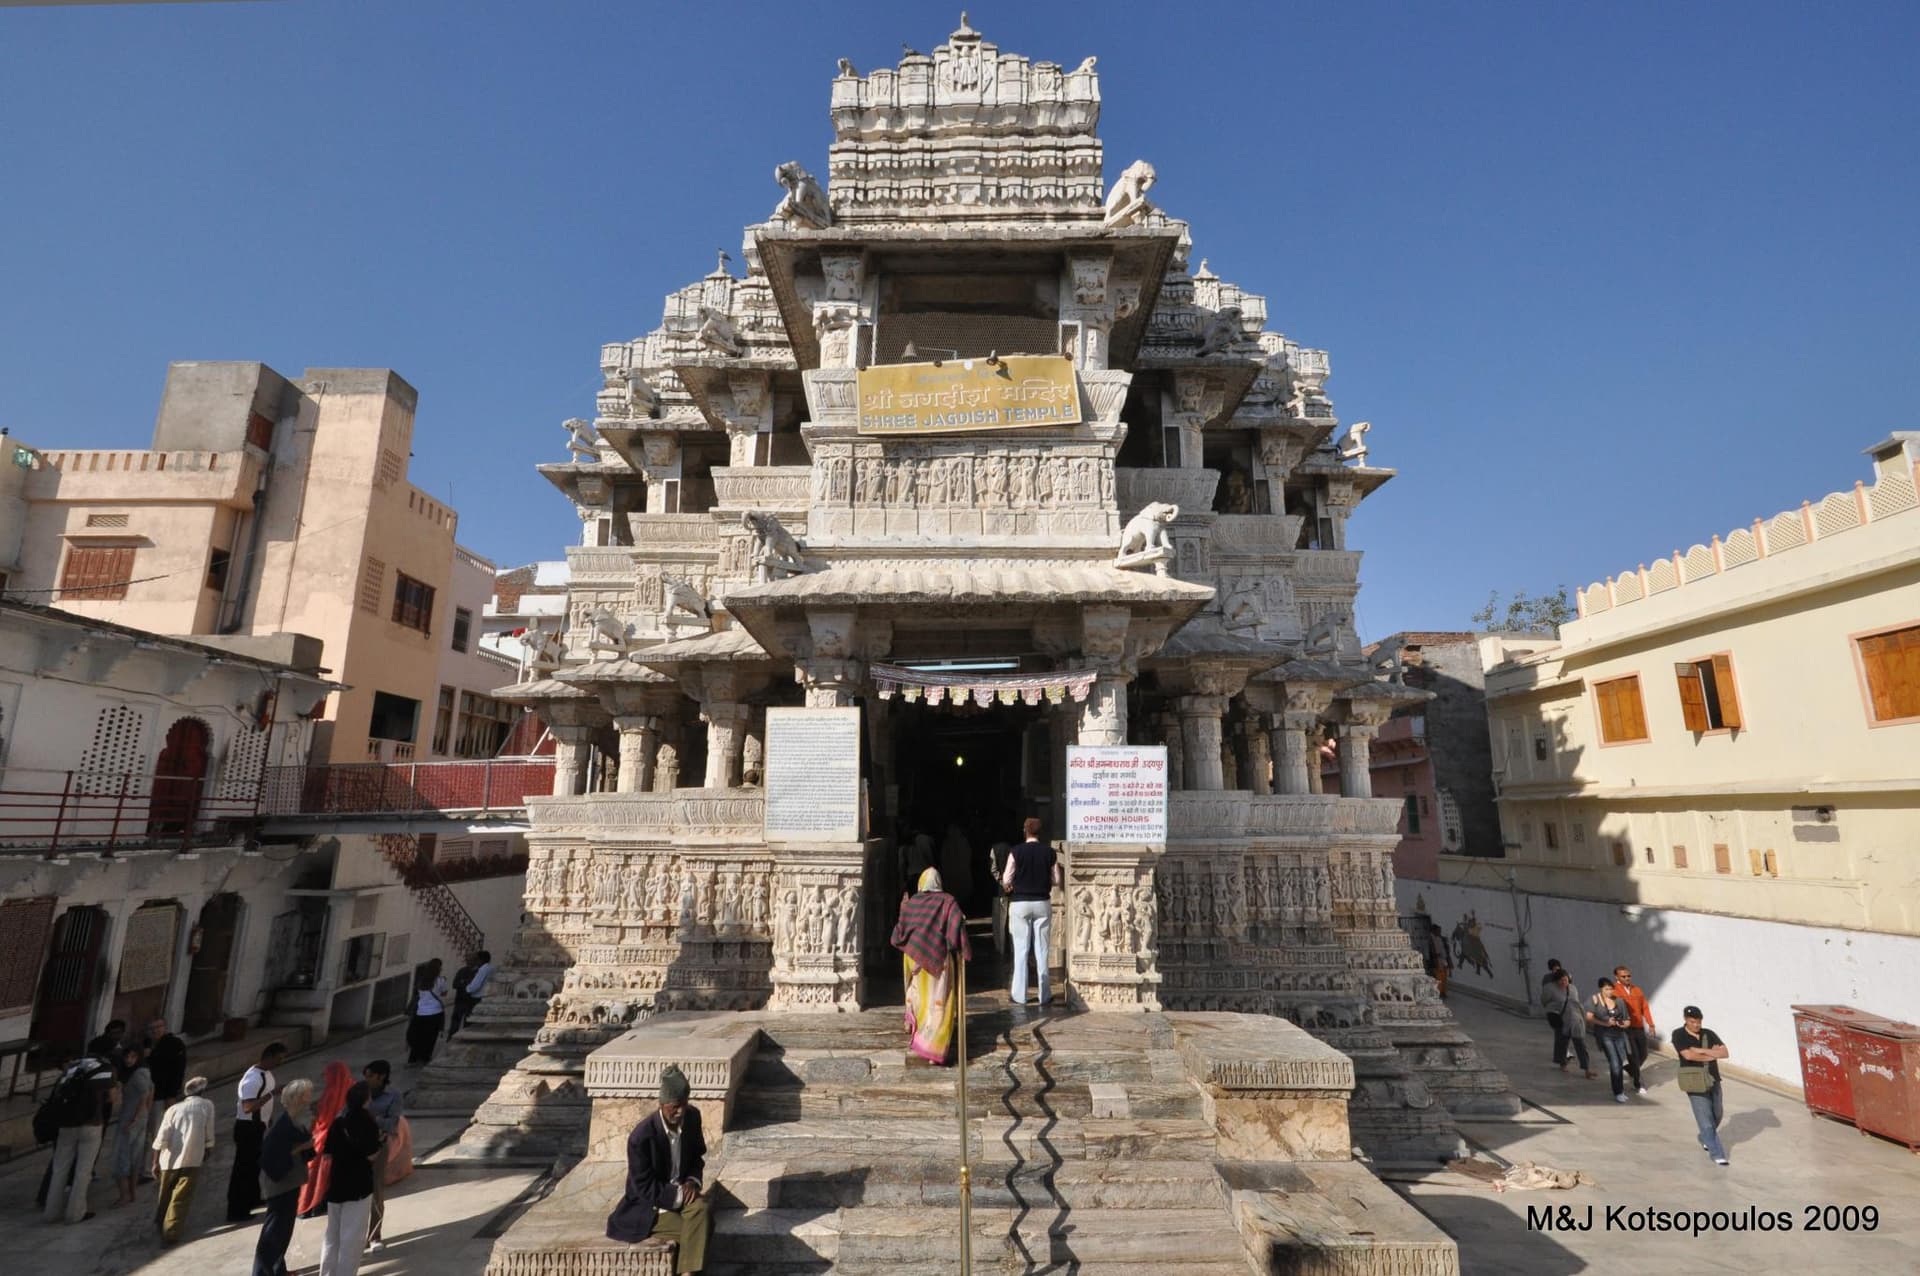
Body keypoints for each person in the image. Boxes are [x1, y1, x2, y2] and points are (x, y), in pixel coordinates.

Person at [607, 1065, 710, 1276]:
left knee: (700, 1210)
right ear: (661, 1105)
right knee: (699, 1229)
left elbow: (696, 1158)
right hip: (650, 1205)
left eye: (683, 1105)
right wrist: (680, 1195)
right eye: (674, 1107)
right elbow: (643, 1187)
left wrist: (691, 1182)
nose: (680, 1111)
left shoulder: (692, 1118)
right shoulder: (641, 1137)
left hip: (682, 1193)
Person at [890, 867, 973, 1065]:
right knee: (939, 1002)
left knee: (919, 994)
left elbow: (900, 928)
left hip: (914, 956)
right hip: (938, 957)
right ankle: (933, 1048)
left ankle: (915, 1028)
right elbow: (955, 930)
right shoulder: (947, 901)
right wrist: (961, 947)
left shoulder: (913, 902)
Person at [43, 1050, 118, 1223]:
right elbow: (112, 1098)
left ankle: (51, 1212)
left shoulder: (71, 1070)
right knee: (83, 1171)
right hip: (91, 1125)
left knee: (59, 1169)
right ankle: (75, 1213)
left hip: (66, 1125)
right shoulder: (104, 1070)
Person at [318, 1082, 383, 1276]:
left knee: (332, 1236)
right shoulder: (367, 1122)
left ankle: (327, 1273)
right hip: (358, 1185)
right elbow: (371, 1155)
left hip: (337, 1184)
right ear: (366, 1100)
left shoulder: (339, 1121)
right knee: (352, 1237)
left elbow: (327, 1154)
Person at [253, 1078, 315, 1276]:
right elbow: (271, 1157)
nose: (308, 1100)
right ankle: (263, 1272)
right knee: (274, 1232)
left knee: (283, 1231)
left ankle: (278, 1269)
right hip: (280, 1185)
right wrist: (300, 1148)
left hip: (289, 1183)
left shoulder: (294, 1121)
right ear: (297, 1099)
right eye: (305, 1096)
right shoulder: (283, 1125)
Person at [1001, 817, 1060, 1010]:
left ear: (1025, 831)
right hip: (1042, 902)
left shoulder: (1016, 852)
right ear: (1039, 832)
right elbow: (1057, 880)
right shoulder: (1049, 853)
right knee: (1042, 950)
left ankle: (1020, 995)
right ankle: (1045, 995)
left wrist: (1010, 886)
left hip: (1020, 903)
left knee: (1021, 950)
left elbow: (1006, 879)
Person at [150, 1075, 215, 1245]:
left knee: (165, 1195)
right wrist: (208, 1149)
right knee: (180, 1198)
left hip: (168, 1160)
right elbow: (209, 1133)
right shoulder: (206, 1106)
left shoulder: (173, 1109)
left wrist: (155, 1162)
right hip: (192, 1159)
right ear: (202, 1091)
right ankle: (170, 1233)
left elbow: (161, 1138)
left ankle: (160, 1222)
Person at [228, 1041, 287, 1221]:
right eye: (279, 1058)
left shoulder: (266, 1074)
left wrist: (267, 1118)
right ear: (269, 1057)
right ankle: (237, 1210)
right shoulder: (253, 1079)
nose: (281, 1062)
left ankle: (252, 1199)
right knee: (243, 1169)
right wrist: (271, 1095)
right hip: (248, 1128)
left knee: (254, 1166)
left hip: (258, 1126)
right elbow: (248, 1107)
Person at [1673, 1005, 1732, 1165]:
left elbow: (1725, 1053)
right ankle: (1717, 1154)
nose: (1696, 1025)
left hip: (1713, 1079)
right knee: (1705, 1120)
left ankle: (1704, 1137)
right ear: (1686, 1020)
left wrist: (1699, 1050)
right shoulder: (1678, 1034)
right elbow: (1688, 1055)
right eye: (1693, 1022)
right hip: (1694, 1081)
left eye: (1699, 1022)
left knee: (1717, 1114)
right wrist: (1712, 1054)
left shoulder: (1709, 1034)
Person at [297, 1061, 355, 1218]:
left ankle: (309, 1205)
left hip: (324, 1139)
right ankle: (320, 1204)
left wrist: (316, 1112)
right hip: (341, 1140)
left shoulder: (331, 1093)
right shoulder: (352, 1089)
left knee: (315, 1173)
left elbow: (323, 1120)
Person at [364, 1059, 411, 1248]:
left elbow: (392, 1123)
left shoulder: (393, 1095)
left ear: (381, 1077)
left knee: (376, 1190)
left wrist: (371, 1118)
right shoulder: (361, 1092)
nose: (366, 1080)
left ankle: (374, 1235)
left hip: (379, 1145)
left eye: (370, 1076)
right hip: (358, 1145)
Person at [109, 1043, 154, 1206]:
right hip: (136, 1118)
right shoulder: (142, 1072)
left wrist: (135, 1119)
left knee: (122, 1158)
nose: (129, 1060)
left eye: (133, 1057)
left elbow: (145, 1095)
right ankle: (131, 1193)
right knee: (133, 1157)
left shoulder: (139, 1074)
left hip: (131, 1120)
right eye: (127, 1057)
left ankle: (125, 1195)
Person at [144, 1018, 188, 1178]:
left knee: (159, 1132)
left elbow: (178, 1070)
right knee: (149, 1132)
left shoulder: (174, 1044)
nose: (155, 1031)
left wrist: (172, 1094)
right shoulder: (147, 1045)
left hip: (163, 1095)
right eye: (152, 1028)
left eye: (158, 1027)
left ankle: (156, 1165)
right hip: (148, 1095)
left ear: (164, 1027)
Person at [1587, 976, 1634, 1102]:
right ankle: (1618, 1091)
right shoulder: (1595, 1000)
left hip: (1618, 1034)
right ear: (1601, 989)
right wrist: (1605, 1023)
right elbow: (1589, 1017)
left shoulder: (1619, 1001)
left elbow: (1627, 1019)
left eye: (1611, 989)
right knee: (1614, 1062)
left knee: (1620, 1061)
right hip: (1604, 1035)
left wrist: (1623, 1024)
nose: (1609, 992)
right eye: (1606, 989)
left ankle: (1620, 1090)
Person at [1541, 969, 1593, 1077]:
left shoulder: (1573, 988)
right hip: (1560, 1018)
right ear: (1556, 981)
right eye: (1561, 980)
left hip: (1575, 1018)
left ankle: (1586, 1068)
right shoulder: (1549, 988)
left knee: (1581, 1044)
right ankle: (1562, 1063)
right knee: (1562, 1042)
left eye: (1566, 980)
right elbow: (1544, 1001)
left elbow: (1576, 1002)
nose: (1564, 982)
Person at [1613, 965, 1655, 1095]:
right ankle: (1638, 1083)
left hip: (1638, 1027)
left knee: (1644, 1054)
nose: (1627, 978)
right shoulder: (1615, 991)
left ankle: (1630, 1069)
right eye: (1623, 976)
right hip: (1625, 1029)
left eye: (1628, 976)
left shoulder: (1637, 990)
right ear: (1617, 977)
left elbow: (1645, 1007)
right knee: (1634, 1056)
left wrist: (1651, 1024)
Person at [406, 962, 450, 1066]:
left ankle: (413, 1058)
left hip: (421, 1012)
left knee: (418, 1036)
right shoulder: (440, 980)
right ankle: (425, 1057)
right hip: (435, 1012)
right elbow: (444, 993)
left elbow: (418, 993)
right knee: (430, 1036)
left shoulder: (421, 981)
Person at [450, 949, 494, 1039]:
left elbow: (474, 986)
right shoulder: (462, 971)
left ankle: (465, 1038)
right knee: (455, 1023)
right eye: (467, 959)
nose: (467, 961)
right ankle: (451, 1038)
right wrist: (466, 983)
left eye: (470, 959)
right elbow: (455, 984)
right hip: (460, 1001)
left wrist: (465, 984)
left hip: (470, 1001)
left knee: (468, 1023)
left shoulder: (480, 971)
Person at [986, 841, 1013, 956]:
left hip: (1000, 892)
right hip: (1013, 891)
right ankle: (1012, 949)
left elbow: (993, 869)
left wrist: (1002, 883)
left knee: (999, 923)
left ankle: (1001, 949)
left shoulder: (995, 849)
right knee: (1012, 923)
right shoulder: (1014, 848)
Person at [1425, 923, 1452, 998]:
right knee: (1438, 978)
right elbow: (1429, 952)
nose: (1439, 932)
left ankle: (1443, 992)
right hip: (1435, 962)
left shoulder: (1440, 939)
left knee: (1444, 978)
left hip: (1443, 961)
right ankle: (1438, 992)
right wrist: (1435, 956)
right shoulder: (1430, 940)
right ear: (1433, 931)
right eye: (1438, 931)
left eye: (1440, 931)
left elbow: (1445, 949)